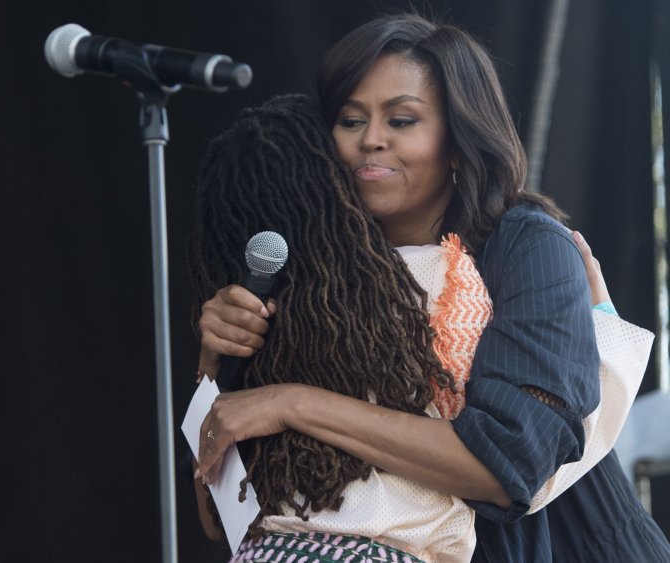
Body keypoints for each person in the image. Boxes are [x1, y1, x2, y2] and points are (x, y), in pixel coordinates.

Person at [191, 14, 670, 562]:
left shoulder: (523, 247)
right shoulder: (312, 279)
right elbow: (217, 517)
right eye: (350, 120)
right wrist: (213, 364)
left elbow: (506, 463)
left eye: (401, 120)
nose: (371, 140)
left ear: (458, 140)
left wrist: (293, 402)